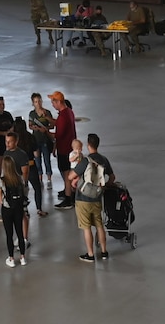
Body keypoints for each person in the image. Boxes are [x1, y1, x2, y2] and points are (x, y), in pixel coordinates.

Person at [72, 135, 115, 263]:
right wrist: (104, 186)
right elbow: (112, 177)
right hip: (97, 198)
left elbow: (70, 176)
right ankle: (104, 252)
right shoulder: (104, 160)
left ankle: (90, 254)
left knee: (86, 228)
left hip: (82, 199)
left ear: (87, 145)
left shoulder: (86, 161)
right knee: (99, 225)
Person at [0, 129, 32, 265]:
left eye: (10, 141)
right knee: (18, 215)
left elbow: (25, 172)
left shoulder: (22, 155)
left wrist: (21, 188)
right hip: (9, 188)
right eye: (6, 141)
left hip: (19, 188)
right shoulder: (6, 153)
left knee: (23, 213)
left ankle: (24, 238)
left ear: (16, 142)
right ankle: (21, 246)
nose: (7, 144)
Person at [48, 92, 78, 207]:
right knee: (70, 174)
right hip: (70, 148)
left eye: (53, 102)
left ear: (58, 102)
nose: (52, 105)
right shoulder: (69, 112)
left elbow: (58, 136)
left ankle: (68, 199)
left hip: (64, 150)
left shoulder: (62, 117)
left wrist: (46, 132)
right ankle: (71, 194)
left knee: (66, 175)